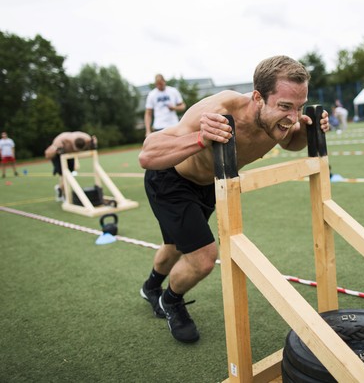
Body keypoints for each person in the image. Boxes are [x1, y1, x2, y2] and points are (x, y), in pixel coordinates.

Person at [138, 55, 330, 343]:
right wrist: (201, 138)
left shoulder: (279, 120)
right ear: (258, 97)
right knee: (202, 258)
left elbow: (291, 142)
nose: (292, 116)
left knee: (176, 246)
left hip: (210, 184)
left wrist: (308, 128)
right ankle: (170, 300)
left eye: (299, 106)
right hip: (170, 179)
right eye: (285, 107)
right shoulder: (221, 107)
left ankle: (150, 288)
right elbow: (148, 154)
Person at [44, 131, 97, 201]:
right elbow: (48, 154)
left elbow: (94, 139)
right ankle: (63, 193)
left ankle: (60, 188)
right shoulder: (61, 140)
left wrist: (94, 144)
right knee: (63, 174)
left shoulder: (87, 138)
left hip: (69, 153)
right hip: (58, 155)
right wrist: (56, 151)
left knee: (70, 173)